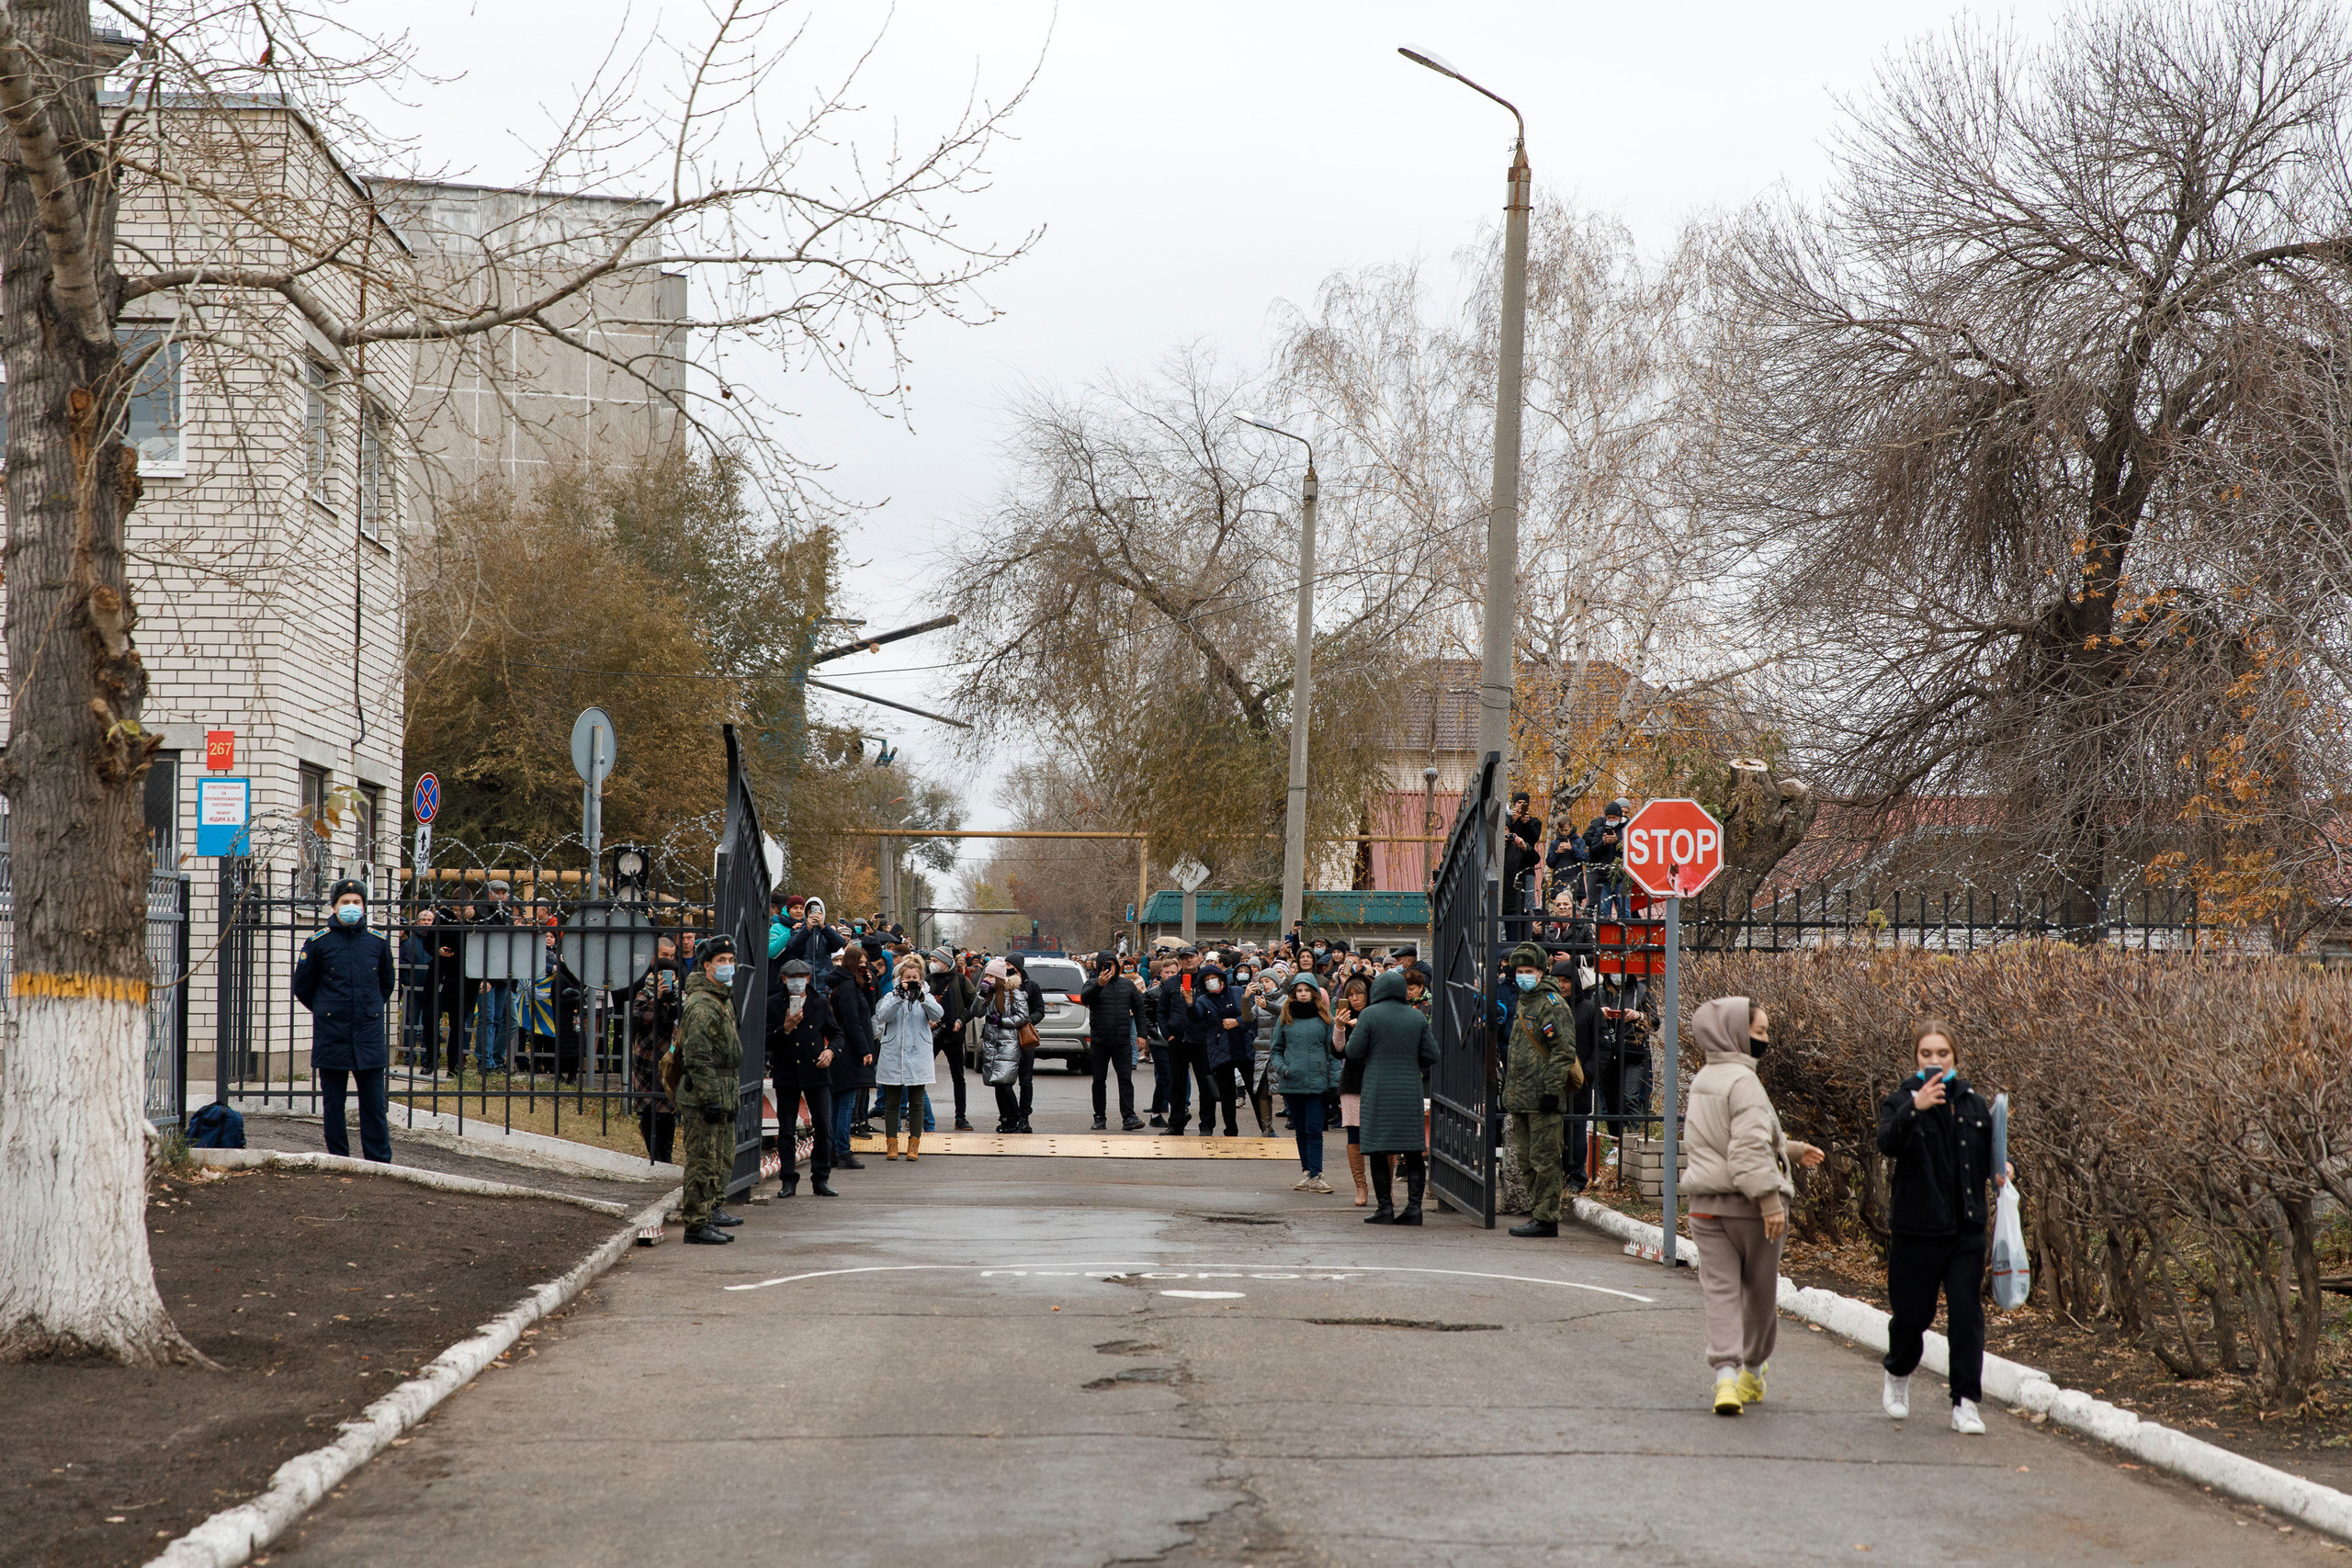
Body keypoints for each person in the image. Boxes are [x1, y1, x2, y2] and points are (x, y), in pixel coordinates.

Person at [1682, 996, 1825, 1414]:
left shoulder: (1705, 1078)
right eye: (1759, 1033)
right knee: (1759, 1294)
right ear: (1736, 1034)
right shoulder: (1745, 1082)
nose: (1765, 1041)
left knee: (1721, 1292)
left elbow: (1725, 1140)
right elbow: (1746, 1152)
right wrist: (1769, 1202)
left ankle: (1725, 1378)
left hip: (1706, 1208)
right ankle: (1753, 1372)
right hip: (1751, 1210)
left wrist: (1792, 1150)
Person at [1876, 1018, 2009, 1435]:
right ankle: (1898, 1374)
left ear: (1955, 1056)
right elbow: (1886, 1144)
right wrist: (1915, 1109)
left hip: (1965, 1229)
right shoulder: (1900, 1099)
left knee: (1967, 1316)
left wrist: (2003, 1168)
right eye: (1926, 1054)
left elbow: (1990, 1153)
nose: (1935, 1061)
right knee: (1912, 1318)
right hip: (1917, 1230)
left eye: (1943, 1054)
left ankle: (1965, 1402)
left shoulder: (1972, 1103)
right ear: (1916, 1058)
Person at [292, 878, 397, 1163]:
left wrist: (369, 1008)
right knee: (334, 1105)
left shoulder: (377, 942)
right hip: (332, 1034)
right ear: (334, 906)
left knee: (374, 1105)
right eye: (345, 902)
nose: (351, 907)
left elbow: (386, 984)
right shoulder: (318, 942)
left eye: (357, 902)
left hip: (368, 1034)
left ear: (364, 906)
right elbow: (303, 986)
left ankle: (379, 1161)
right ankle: (339, 1159)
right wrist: (327, 1008)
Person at [1346, 968, 1441, 1224]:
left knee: (1378, 1150)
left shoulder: (1368, 1015)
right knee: (1413, 1151)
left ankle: (1385, 1208)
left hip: (1377, 1090)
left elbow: (1353, 1051)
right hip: (1410, 1089)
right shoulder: (1417, 1017)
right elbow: (1432, 1055)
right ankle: (1414, 1209)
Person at [1502, 942, 1582, 1239]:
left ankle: (1547, 1217)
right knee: (1526, 1160)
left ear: (1540, 971)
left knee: (1545, 1160)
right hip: (1521, 1097)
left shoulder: (1551, 1003)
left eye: (1529, 971)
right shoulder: (1525, 1001)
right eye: (1519, 971)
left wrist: (1550, 1090)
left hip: (1542, 1099)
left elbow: (1563, 1050)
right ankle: (1538, 1212)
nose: (1523, 975)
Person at [673, 935, 745, 1244]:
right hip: (705, 1093)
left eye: (731, 961)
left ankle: (712, 1208)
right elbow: (697, 1056)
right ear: (707, 966)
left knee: (721, 1157)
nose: (728, 966)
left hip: (723, 1089)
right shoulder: (702, 1004)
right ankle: (696, 1223)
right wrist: (712, 1097)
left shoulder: (721, 998)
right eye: (721, 962)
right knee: (702, 1160)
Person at [767, 957, 838, 1196]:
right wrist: (785, 1028)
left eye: (802, 978)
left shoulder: (819, 1003)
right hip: (787, 1072)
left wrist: (831, 1051)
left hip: (816, 1073)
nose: (797, 982)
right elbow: (765, 1040)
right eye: (791, 978)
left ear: (808, 979)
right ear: (784, 980)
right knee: (786, 1129)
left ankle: (821, 1178)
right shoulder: (774, 1004)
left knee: (823, 1126)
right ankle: (788, 1180)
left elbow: (837, 1034)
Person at [1268, 976, 1338, 1193]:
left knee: (1314, 1130)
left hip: (1318, 1083)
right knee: (1300, 1131)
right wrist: (1284, 1068)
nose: (1303, 993)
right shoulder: (1285, 1018)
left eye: (1307, 990)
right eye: (1299, 990)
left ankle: (1317, 1175)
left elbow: (1333, 1053)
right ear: (1293, 994)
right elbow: (1275, 1050)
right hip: (1293, 1082)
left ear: (1315, 992)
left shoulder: (1326, 1019)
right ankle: (1306, 1173)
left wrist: (1335, 1081)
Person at [872, 954, 944, 1159]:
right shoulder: (891, 996)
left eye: (915, 977)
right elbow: (883, 1016)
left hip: (918, 1053)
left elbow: (938, 1014)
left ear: (920, 979)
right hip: (894, 1053)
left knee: (917, 1101)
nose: (911, 980)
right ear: (900, 978)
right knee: (892, 1102)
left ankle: (914, 1144)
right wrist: (899, 997)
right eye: (907, 977)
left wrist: (921, 998)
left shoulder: (926, 995)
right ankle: (892, 1143)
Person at [1080, 950, 1148, 1131]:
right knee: (1099, 1080)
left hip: (1122, 1041)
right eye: (1106, 964)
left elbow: (1140, 1010)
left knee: (1125, 1078)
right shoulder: (1092, 983)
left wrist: (1142, 1035)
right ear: (1100, 966)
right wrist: (1099, 985)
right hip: (1100, 1041)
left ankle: (1129, 1117)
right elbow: (1084, 998)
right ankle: (1100, 1117)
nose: (1109, 967)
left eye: (1112, 964)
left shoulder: (1128, 985)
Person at [824, 943, 878, 1164]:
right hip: (849, 1050)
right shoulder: (847, 988)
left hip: (845, 1048)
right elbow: (852, 1021)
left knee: (840, 1101)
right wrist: (864, 1049)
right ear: (852, 964)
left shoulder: (851, 985)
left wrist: (867, 988)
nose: (866, 969)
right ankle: (842, 1149)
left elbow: (869, 1010)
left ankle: (835, 1149)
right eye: (862, 965)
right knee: (845, 1102)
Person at [1193, 960, 1247, 1136]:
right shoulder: (1203, 1000)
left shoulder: (1238, 991)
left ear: (1221, 978)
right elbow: (1196, 1016)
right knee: (1227, 1093)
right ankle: (1230, 1127)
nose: (1210, 981)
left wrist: (1237, 1022)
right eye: (1206, 979)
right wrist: (1188, 1003)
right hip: (1220, 1049)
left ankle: (1266, 1128)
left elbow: (1252, 1015)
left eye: (1213, 977)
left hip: (1244, 1046)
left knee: (1255, 1090)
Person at [977, 959, 1032, 1130]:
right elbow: (976, 1012)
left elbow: (1023, 1017)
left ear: (999, 976)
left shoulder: (1015, 993)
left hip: (1008, 1042)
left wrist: (1002, 1021)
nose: (988, 978)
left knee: (1004, 1083)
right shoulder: (989, 993)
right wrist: (981, 995)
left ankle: (1016, 1117)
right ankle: (1005, 1119)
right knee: (997, 1083)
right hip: (992, 1042)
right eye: (986, 975)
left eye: (991, 975)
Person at [924, 946, 975, 1131]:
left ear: (946, 963)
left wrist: (961, 1020)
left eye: (936, 961)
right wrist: (927, 1019)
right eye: (931, 960)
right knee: (920, 1076)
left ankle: (960, 1117)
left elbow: (974, 1005)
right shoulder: (926, 981)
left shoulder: (961, 981)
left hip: (954, 1036)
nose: (932, 964)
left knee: (958, 1078)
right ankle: (916, 1114)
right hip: (931, 1035)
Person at [1333, 972, 1372, 1203]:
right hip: (1352, 1082)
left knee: (1381, 1137)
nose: (1355, 999)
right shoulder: (1344, 1017)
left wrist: (1362, 1027)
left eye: (1360, 994)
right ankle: (1361, 1188)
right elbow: (1339, 1050)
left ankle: (1384, 1189)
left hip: (1377, 1080)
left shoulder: (1375, 1016)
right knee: (1354, 1135)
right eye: (1351, 995)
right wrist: (1339, 1027)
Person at [397, 906, 436, 1066]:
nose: (426, 923)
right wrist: (409, 980)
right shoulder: (411, 940)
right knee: (410, 1024)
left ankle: (428, 1057)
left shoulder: (436, 938)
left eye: (429, 920)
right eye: (423, 920)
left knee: (431, 1024)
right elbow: (404, 963)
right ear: (417, 921)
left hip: (432, 989)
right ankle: (409, 1056)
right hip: (413, 988)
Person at [1582, 799, 1632, 918]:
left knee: (1624, 912)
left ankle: (1625, 936)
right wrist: (1603, 843)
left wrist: (1617, 842)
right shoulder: (1600, 830)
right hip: (1604, 877)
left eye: (1613, 818)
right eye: (1608, 818)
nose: (1611, 820)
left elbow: (1633, 851)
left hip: (1622, 877)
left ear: (1619, 817)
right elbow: (1593, 852)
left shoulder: (1628, 829)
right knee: (1603, 913)